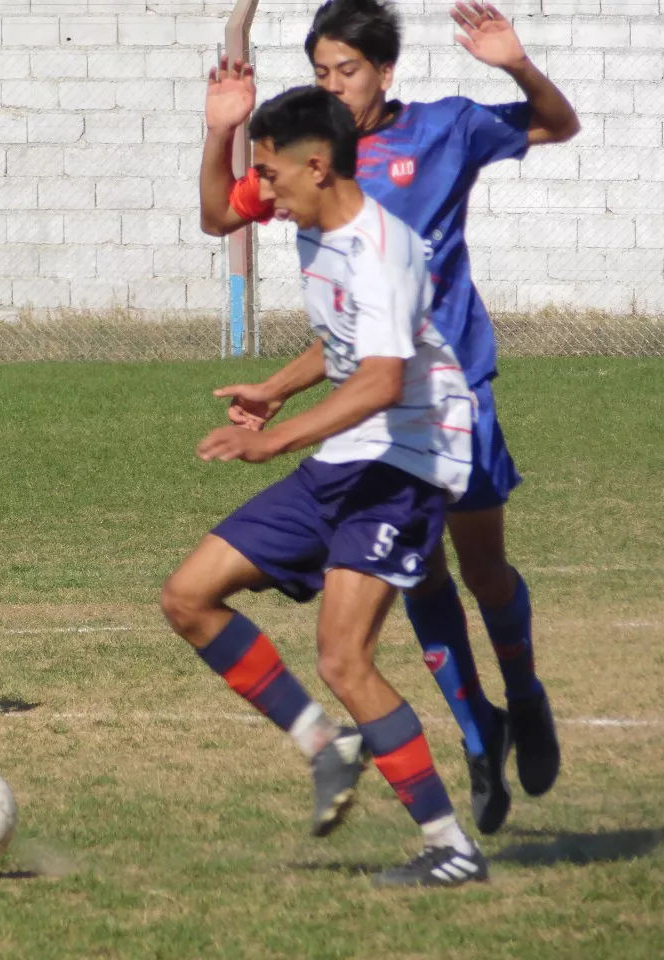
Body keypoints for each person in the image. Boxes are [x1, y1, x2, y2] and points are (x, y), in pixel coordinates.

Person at [199, 0, 579, 834]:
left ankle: (522, 694)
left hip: (454, 395)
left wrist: (514, 64)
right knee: (421, 576)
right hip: (376, 415)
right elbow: (224, 216)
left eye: (350, 70)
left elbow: (558, 124)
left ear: (385, 72)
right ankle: (479, 732)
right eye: (323, 71)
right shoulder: (307, 162)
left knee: (480, 573)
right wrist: (221, 128)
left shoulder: (443, 130)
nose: (336, 85)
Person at [164, 85, 487, 887]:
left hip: (408, 459)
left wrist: (272, 437)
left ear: (317, 165)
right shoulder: (309, 209)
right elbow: (218, 217)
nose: (260, 192)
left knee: (346, 659)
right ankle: (325, 747)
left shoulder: (382, 249)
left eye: (268, 175)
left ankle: (452, 847)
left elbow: (380, 379)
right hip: (349, 452)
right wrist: (222, 132)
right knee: (188, 597)